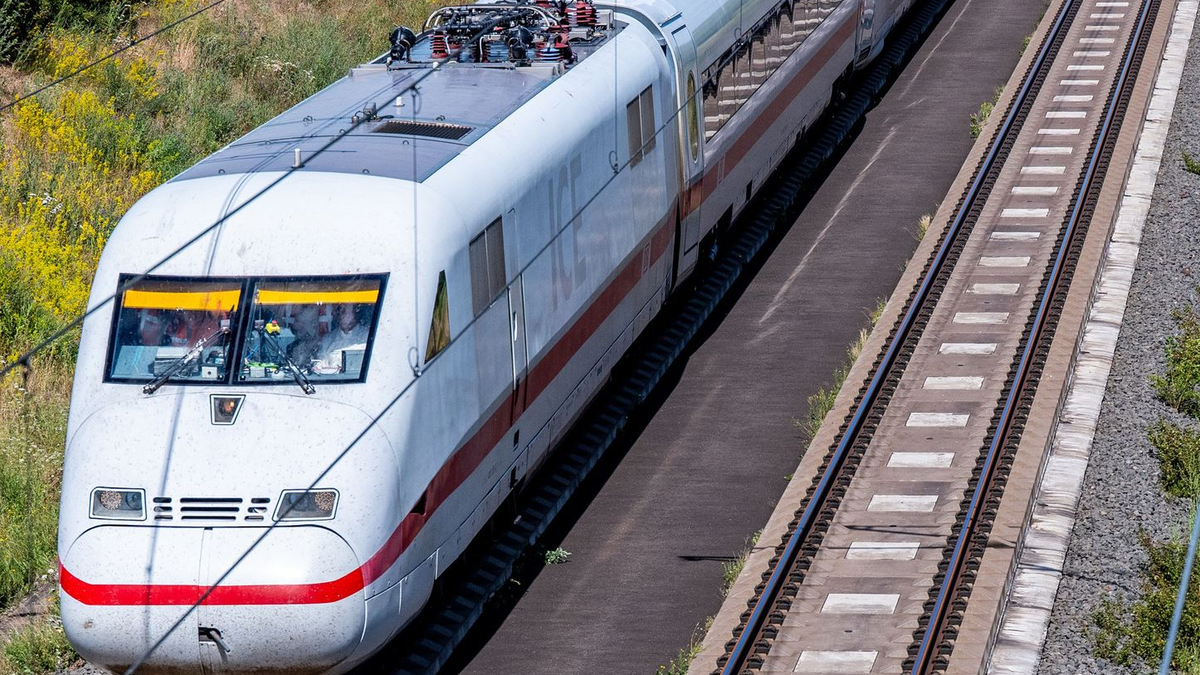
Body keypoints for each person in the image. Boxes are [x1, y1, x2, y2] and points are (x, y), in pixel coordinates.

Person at [317, 304, 369, 372]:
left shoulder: (367, 337)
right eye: (340, 311)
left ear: (355, 313)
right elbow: (320, 364)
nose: (343, 315)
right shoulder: (328, 339)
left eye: (345, 311)